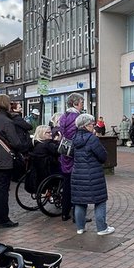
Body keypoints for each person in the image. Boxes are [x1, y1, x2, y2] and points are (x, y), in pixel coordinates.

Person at [0, 94, 31, 228]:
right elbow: (16, 143)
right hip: (4, 160)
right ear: (6, 104)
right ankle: (3, 219)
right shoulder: (7, 121)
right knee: (3, 190)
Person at [70, 113, 114, 235]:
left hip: (78, 174)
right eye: (92, 124)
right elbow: (103, 156)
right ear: (86, 126)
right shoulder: (92, 139)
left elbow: (72, 154)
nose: (94, 127)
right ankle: (102, 228)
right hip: (93, 175)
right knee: (100, 201)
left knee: (80, 201)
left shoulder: (74, 138)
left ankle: (80, 227)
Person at [57, 93, 84, 221]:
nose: (82, 105)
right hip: (74, 155)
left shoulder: (64, 116)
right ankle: (76, 215)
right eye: (81, 102)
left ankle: (64, 212)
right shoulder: (77, 118)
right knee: (76, 186)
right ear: (75, 103)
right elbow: (78, 137)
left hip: (64, 153)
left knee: (66, 185)